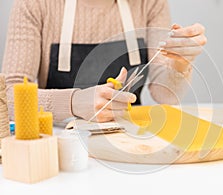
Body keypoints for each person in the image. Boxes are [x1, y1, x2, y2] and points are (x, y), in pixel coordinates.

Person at [2, 0, 207, 122]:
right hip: (62, 147)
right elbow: (7, 98)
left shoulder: (149, 3)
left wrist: (180, 64)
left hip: (131, 142)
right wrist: (73, 103)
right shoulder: (34, 4)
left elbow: (166, 96)